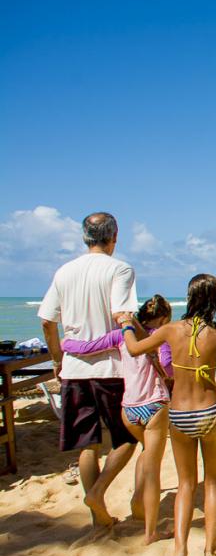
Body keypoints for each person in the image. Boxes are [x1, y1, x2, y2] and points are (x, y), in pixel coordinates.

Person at [119, 274, 216, 556]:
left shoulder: (170, 330)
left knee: (185, 485)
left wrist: (127, 324)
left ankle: (180, 553)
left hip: (179, 415)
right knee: (213, 483)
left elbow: (134, 349)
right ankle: (210, 553)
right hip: (209, 412)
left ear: (191, 298)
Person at [38, 212, 138, 528]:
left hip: (74, 369)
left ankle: (99, 519)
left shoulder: (65, 271)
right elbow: (123, 314)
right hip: (111, 368)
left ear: (85, 237)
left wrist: (57, 359)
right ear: (115, 236)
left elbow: (46, 320)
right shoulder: (119, 269)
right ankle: (97, 492)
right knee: (126, 439)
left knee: (87, 444)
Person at [60, 295, 174, 544]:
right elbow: (168, 367)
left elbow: (90, 347)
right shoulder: (162, 336)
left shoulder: (123, 335)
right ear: (164, 318)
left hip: (128, 408)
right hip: (153, 404)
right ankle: (142, 512)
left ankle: (103, 492)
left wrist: (67, 345)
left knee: (143, 449)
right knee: (151, 461)